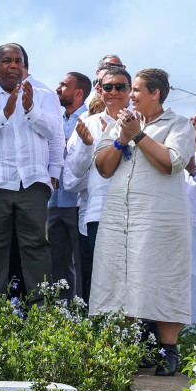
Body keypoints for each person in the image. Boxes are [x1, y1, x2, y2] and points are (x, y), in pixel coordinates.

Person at [90, 68, 196, 376]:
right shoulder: (119, 124)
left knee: (164, 278)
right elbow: (103, 168)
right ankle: (128, 348)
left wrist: (138, 135)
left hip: (161, 219)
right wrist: (122, 139)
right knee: (121, 278)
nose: (130, 95)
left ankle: (167, 351)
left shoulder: (179, 124)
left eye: (136, 90)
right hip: (119, 216)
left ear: (155, 93)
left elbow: (171, 163)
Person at [0, 43, 61, 297]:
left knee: (36, 245)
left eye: (18, 61)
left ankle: (41, 308)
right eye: (7, 61)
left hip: (33, 183)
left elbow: (53, 131)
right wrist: (4, 113)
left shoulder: (43, 95)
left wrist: (31, 109)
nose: (13, 65)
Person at [62, 65, 130, 304]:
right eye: (108, 87)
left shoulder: (140, 122)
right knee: (97, 281)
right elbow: (72, 178)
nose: (113, 92)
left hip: (134, 212)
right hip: (98, 212)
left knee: (131, 278)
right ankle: (98, 327)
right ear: (100, 91)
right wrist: (87, 146)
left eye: (120, 87)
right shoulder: (87, 123)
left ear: (130, 90)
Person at [48, 72, 90, 299]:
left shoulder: (89, 119)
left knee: (80, 260)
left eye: (64, 85)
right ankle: (62, 310)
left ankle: (82, 309)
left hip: (76, 201)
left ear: (79, 93)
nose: (58, 88)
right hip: (53, 200)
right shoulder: (55, 118)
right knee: (57, 260)